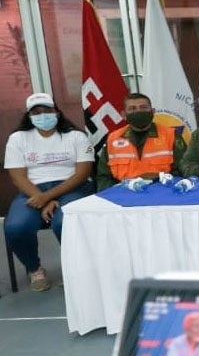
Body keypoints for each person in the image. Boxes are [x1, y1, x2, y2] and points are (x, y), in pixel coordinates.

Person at [3, 93, 94, 292]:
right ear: (28, 116)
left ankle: (75, 269)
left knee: (65, 222)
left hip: (72, 187)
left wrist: (47, 197)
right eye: (36, 112)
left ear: (57, 112)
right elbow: (18, 176)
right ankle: (34, 269)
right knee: (15, 228)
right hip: (33, 190)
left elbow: (82, 174)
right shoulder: (18, 139)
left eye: (47, 111)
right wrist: (43, 199)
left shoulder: (75, 136)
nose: (42, 115)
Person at [95, 93, 187, 191]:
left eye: (143, 108)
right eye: (132, 109)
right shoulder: (113, 139)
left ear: (152, 111)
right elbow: (104, 177)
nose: (138, 111)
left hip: (162, 192)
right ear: (124, 115)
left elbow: (183, 170)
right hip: (124, 194)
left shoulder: (171, 135)